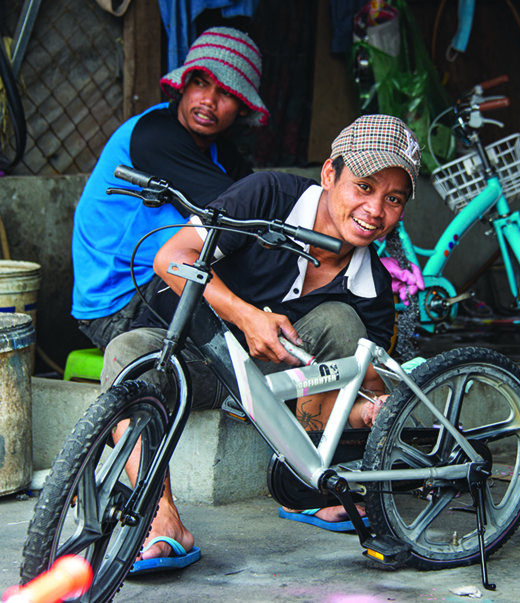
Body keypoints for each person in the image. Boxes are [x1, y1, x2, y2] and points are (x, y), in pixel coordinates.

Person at [102, 113, 422, 572]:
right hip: (193, 354)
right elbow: (172, 256)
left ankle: (305, 487)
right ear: (329, 174)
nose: (374, 210)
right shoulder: (269, 196)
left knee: (340, 321)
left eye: (393, 199)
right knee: (127, 352)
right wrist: (245, 315)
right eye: (364, 187)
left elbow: (354, 396)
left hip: (272, 386)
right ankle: (159, 517)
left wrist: (372, 411)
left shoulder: (371, 287)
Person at [71, 26, 269, 350]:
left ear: (243, 107)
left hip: (158, 286)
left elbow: (261, 207)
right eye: (200, 83)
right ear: (183, 86)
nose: (208, 101)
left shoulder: (219, 152)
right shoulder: (154, 136)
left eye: (226, 93)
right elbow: (240, 219)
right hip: (120, 307)